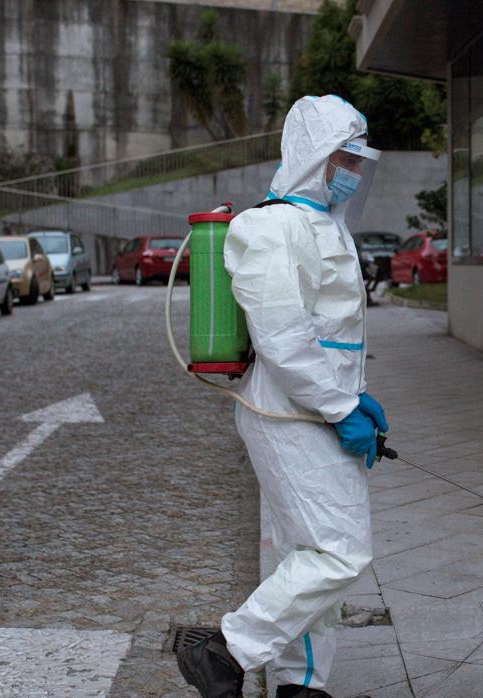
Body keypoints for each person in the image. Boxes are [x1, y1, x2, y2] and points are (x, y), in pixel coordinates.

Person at [176, 95, 388, 698]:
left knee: (306, 553)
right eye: (343, 156)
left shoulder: (326, 225)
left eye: (357, 158)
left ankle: (302, 682)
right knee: (340, 552)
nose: (352, 170)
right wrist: (343, 407)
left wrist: (359, 397)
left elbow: (337, 334)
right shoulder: (271, 227)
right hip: (287, 413)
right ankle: (227, 649)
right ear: (312, 155)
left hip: (317, 410)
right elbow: (284, 338)